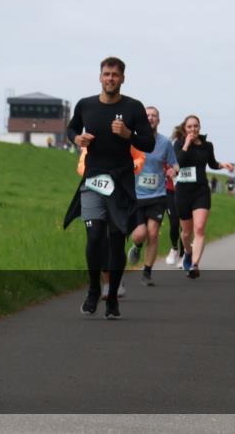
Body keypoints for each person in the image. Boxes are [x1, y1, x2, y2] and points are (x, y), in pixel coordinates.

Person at [64, 57, 155, 320]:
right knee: (94, 238)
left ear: (123, 78)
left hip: (122, 184)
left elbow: (147, 144)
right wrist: (76, 139)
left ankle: (112, 296)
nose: (110, 79)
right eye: (106, 74)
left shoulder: (133, 108)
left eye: (115, 75)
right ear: (100, 77)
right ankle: (94, 290)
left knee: (116, 243)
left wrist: (129, 135)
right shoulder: (86, 105)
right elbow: (71, 128)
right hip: (93, 180)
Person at [77, 143, 145, 299]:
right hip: (96, 191)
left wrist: (128, 168)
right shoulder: (93, 138)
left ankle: (116, 279)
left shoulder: (123, 136)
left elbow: (140, 157)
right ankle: (107, 283)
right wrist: (92, 172)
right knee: (99, 238)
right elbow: (81, 165)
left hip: (120, 192)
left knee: (115, 239)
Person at [172, 115, 234, 279]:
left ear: (200, 127)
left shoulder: (207, 145)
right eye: (190, 127)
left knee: (199, 229)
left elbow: (212, 163)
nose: (193, 129)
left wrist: (223, 165)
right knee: (186, 234)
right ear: (185, 128)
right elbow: (179, 163)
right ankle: (187, 251)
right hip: (183, 192)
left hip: (200, 191)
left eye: (196, 126)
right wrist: (186, 143)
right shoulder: (178, 144)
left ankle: (194, 264)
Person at [130, 106, 178, 286]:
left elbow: (175, 164)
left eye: (154, 116)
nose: (150, 118)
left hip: (158, 195)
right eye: (147, 115)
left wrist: (173, 170)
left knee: (153, 233)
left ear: (158, 120)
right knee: (140, 234)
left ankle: (147, 272)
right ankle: (136, 245)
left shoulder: (165, 143)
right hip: (136, 195)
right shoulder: (132, 142)